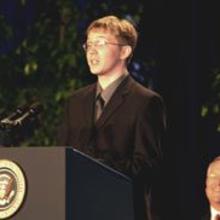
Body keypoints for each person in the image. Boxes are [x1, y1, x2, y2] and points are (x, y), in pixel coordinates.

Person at [57, 15, 166, 220]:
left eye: (100, 43)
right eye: (88, 44)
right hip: (76, 210)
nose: (91, 51)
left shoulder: (146, 102)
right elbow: (62, 157)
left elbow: (147, 167)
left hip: (121, 210)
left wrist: (96, 166)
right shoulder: (75, 101)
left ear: (124, 51)